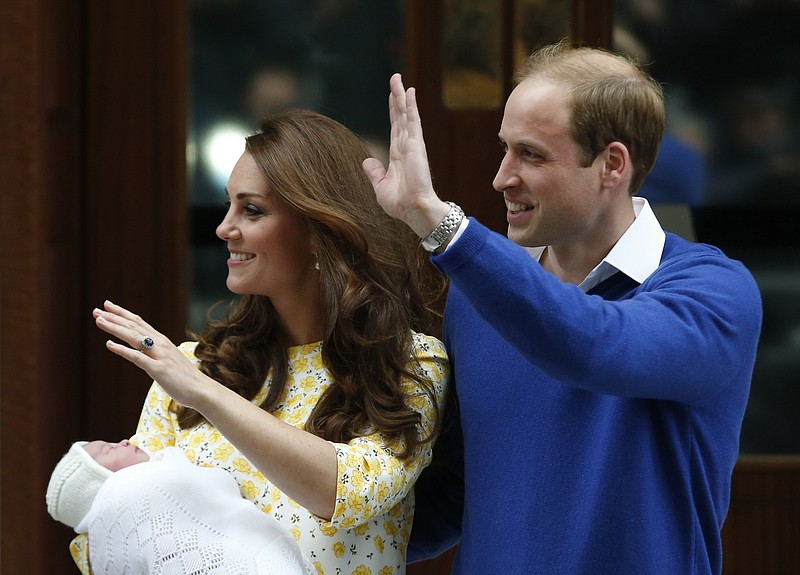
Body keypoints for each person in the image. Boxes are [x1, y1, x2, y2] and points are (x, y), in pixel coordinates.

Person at [361, 41, 763, 574]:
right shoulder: (481, 294)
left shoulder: (714, 292)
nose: (502, 177)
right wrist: (280, 532)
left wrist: (441, 226)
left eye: (531, 154)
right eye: (504, 149)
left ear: (611, 165)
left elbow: (593, 344)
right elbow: (458, 491)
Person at [75, 109, 449, 575]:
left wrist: (202, 393)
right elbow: (115, 530)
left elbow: (348, 494)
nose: (224, 228)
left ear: (319, 230)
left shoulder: (410, 361)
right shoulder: (195, 366)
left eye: (251, 210)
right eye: (229, 205)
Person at [46, 440, 315, 574]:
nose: (125, 441)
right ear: (101, 485)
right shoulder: (133, 489)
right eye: (109, 449)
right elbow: (214, 481)